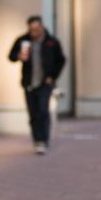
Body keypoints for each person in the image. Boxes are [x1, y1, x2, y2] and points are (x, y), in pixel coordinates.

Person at [8, 16, 66, 154]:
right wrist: (18, 56)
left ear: (41, 27)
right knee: (33, 113)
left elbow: (61, 60)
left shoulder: (51, 42)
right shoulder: (23, 40)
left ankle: (43, 140)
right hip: (29, 82)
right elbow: (10, 56)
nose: (33, 32)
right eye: (31, 29)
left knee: (43, 110)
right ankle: (36, 140)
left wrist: (52, 77)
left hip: (45, 83)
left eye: (36, 29)